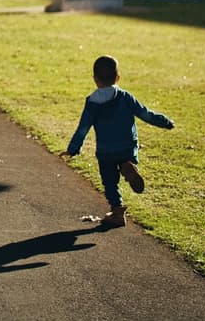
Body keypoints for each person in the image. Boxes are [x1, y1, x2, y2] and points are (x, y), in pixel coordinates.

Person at [61, 55, 174, 228]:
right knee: (127, 157)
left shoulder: (92, 102)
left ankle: (117, 211)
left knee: (109, 182)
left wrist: (73, 149)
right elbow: (145, 114)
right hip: (127, 145)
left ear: (95, 79)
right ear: (117, 78)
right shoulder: (125, 97)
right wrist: (164, 122)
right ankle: (128, 166)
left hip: (106, 151)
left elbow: (83, 128)